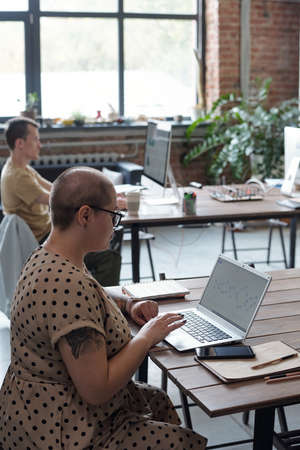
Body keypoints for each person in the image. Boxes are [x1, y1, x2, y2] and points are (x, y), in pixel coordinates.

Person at [0, 167, 207, 449]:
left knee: (156, 399)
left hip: (31, 410)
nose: (115, 225)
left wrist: (126, 304)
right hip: (59, 430)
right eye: (113, 216)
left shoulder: (49, 256)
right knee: (179, 441)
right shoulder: (66, 285)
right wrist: (146, 336)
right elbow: (97, 389)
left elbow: (90, 295)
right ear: (85, 215)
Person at [1, 116, 126, 285]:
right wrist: (111, 204)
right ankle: (99, 302)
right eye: (36, 139)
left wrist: (108, 199)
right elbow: (59, 200)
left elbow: (57, 189)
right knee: (109, 258)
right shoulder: (16, 177)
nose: (40, 144)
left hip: (46, 232)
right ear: (20, 143)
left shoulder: (21, 169)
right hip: (43, 240)